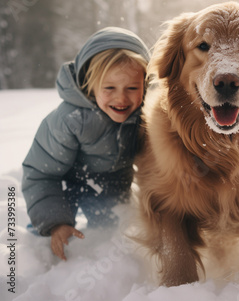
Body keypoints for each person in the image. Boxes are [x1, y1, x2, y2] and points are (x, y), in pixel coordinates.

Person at [22, 27, 150, 261]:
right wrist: (55, 222)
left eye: (132, 88)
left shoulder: (146, 118)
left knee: (110, 233)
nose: (121, 98)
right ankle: (39, 249)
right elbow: (40, 173)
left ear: (146, 84)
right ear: (90, 85)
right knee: (52, 230)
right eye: (109, 88)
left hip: (111, 185)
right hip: (62, 183)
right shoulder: (69, 120)